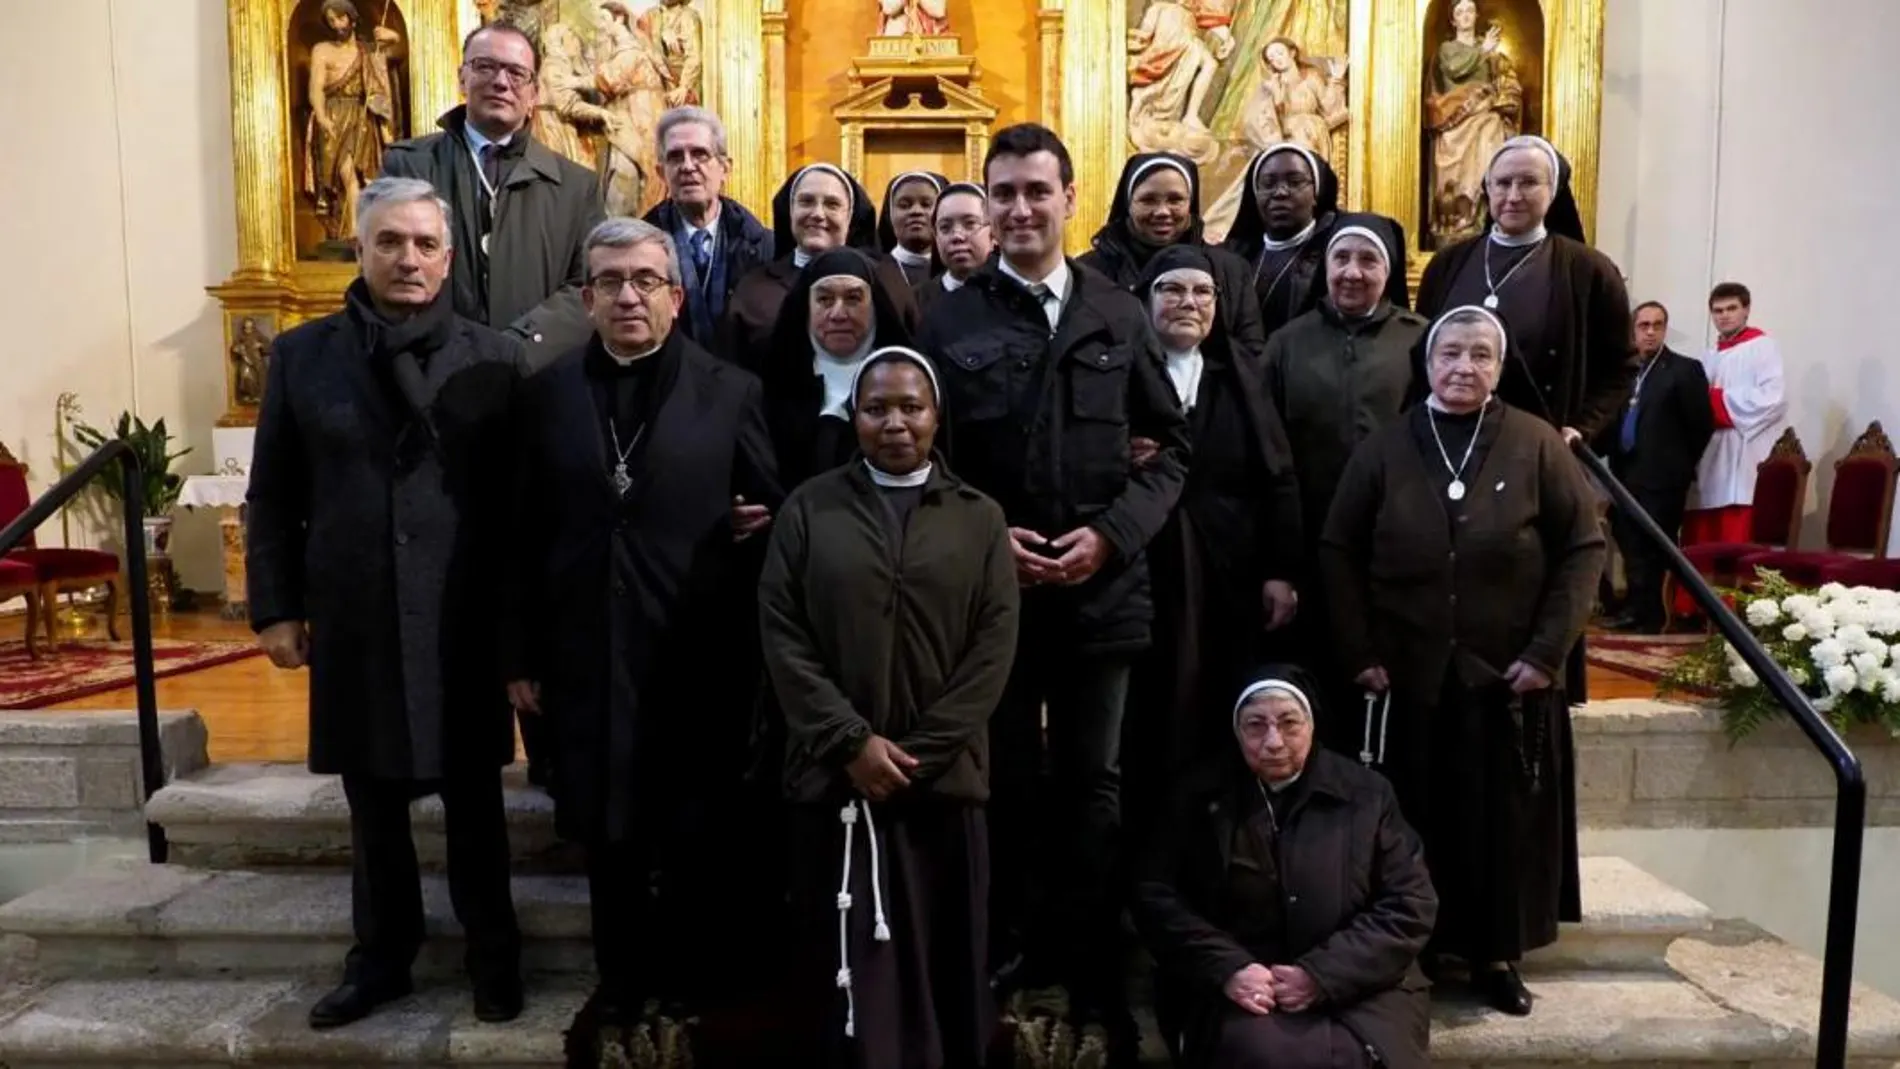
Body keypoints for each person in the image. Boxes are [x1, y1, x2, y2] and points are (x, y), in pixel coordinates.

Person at [915, 122, 1190, 1060]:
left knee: (1094, 784)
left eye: (1038, 190)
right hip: (990, 599)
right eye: (1005, 193)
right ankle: (1006, 941)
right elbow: (924, 456)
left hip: (1102, 593)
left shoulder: (1120, 312)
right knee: (997, 777)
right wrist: (989, 530)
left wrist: (1109, 538)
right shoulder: (946, 320)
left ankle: (1086, 951)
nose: (1022, 208)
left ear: (1072, 198)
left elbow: (1172, 450)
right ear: (987, 206)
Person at [246, 177, 524, 1030]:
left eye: (424, 244)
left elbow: (519, 509)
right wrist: (276, 608)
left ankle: (493, 957)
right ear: (359, 251)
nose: (408, 258)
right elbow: (273, 492)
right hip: (357, 611)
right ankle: (381, 958)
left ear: (446, 259)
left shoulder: (495, 356)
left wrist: (522, 643)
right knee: (372, 805)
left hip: (461, 618)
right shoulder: (304, 355)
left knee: (475, 802)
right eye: (390, 242)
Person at [502, 217, 780, 1057]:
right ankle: (622, 983)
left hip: (697, 648)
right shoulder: (545, 394)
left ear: (676, 294)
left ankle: (689, 980)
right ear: (586, 297)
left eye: (646, 280)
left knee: (693, 823)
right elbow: (516, 531)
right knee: (605, 829)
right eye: (612, 281)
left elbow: (773, 514)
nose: (629, 295)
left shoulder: (731, 390)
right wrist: (517, 653)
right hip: (583, 649)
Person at [1320, 305, 1603, 1016]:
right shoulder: (1385, 447)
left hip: (1504, 677)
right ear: (1428, 361)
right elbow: (1338, 550)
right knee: (1414, 818)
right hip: (1407, 675)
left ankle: (1493, 952)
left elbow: (1583, 548)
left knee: (1496, 824)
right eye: (1450, 354)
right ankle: (1410, 948)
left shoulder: (1538, 444)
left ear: (1500, 367)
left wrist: (1547, 652)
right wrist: (1359, 649)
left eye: (1480, 355)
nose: (1463, 368)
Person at [761, 345, 1020, 1069]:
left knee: (942, 962)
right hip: (834, 778)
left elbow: (993, 648)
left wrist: (919, 753)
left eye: (912, 407)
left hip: (941, 784)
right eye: (877, 408)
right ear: (854, 415)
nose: (895, 422)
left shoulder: (980, 517)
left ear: (938, 415)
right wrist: (851, 743)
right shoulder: (809, 509)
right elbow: (783, 636)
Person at [1131, 668, 1437, 1069]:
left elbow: (1410, 903)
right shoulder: (1197, 795)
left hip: (1363, 987)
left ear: (1311, 725)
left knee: (1360, 1056)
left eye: (1289, 724)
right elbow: (1155, 896)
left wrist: (1321, 974)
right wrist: (1228, 967)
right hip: (1245, 989)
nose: (1273, 742)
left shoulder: (1367, 794)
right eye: (1256, 726)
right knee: (1262, 1055)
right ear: (1236, 731)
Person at [1123, 244, 1301, 848]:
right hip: (1145, 570)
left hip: (1230, 569)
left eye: (1202, 292)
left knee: (1215, 702)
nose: (1188, 303)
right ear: (1145, 303)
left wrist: (1280, 570)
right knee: (1149, 712)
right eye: (1171, 290)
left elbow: (1276, 476)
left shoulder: (1240, 377)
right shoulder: (1120, 373)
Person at [1264, 216, 1426, 753]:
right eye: (1341, 259)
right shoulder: (1286, 343)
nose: (1352, 273)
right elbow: (1266, 452)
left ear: (1391, 269)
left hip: (1393, 548)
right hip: (1305, 540)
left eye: (1369, 261)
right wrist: (1278, 564)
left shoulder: (1420, 340)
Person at [382, 23, 604, 368]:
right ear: (462, 78)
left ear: (534, 93)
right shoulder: (408, 165)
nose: (501, 82)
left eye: (517, 73)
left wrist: (516, 348)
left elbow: (588, 285)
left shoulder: (577, 186)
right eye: (485, 66)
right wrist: (451, 352)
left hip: (533, 380)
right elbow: (390, 269)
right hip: (430, 378)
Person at [1415, 134, 1635, 448]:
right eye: (1503, 183)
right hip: (1450, 441)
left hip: (1539, 448)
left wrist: (1583, 426)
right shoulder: (1446, 264)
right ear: (1487, 189)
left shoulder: (1590, 270)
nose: (1514, 195)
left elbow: (1620, 367)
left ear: (1553, 189)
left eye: (1529, 182)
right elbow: (1422, 354)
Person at [719, 163, 918, 370]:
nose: (817, 214)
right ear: (790, 210)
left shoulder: (885, 280)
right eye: (806, 202)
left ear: (850, 215)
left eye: (832, 204)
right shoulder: (754, 288)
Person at [1079, 153, 1267, 359]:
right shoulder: (1087, 273)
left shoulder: (1230, 270)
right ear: (1129, 204)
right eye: (1148, 200)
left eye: (1175, 200)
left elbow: (1250, 354)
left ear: (1190, 204)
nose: (1162, 211)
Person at [1598, 301, 1713, 632]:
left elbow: (1700, 425)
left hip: (1663, 478)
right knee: (1629, 541)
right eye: (1643, 325)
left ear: (1664, 329)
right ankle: (1634, 608)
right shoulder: (1626, 373)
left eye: (1657, 325)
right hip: (1624, 473)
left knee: (1652, 545)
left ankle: (1651, 614)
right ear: (1633, 330)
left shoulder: (1683, 370)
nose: (1650, 332)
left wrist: (1677, 465)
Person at [759, 247, 915, 490]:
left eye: (853, 299)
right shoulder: (773, 387)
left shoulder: (910, 385)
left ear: (874, 306)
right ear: (806, 307)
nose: (838, 314)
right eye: (824, 299)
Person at [1223, 144, 1409, 339]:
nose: (1280, 192)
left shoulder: (1337, 253)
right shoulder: (1236, 254)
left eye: (1294, 182)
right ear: (1255, 193)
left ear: (1316, 193)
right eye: (1268, 183)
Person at [642, 107, 775, 348]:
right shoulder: (638, 249)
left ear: (725, 168)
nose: (688, 166)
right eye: (675, 157)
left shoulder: (765, 246)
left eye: (700, 154)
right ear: (661, 173)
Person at [1683, 282, 1788, 547]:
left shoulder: (1762, 347)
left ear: (1746, 310)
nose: (1725, 315)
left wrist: (1715, 402)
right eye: (1718, 310)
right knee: (1700, 541)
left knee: (1733, 538)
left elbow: (1773, 398)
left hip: (1741, 453)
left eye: (1732, 308)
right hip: (1709, 454)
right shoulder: (1707, 357)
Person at [919, 182, 993, 311]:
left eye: (970, 224)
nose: (956, 236)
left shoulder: (1018, 295)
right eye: (945, 227)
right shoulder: (916, 302)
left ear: (993, 231)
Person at [876, 170, 947, 288]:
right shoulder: (874, 273)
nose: (916, 211)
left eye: (926, 204)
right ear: (890, 214)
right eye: (904, 205)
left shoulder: (956, 273)